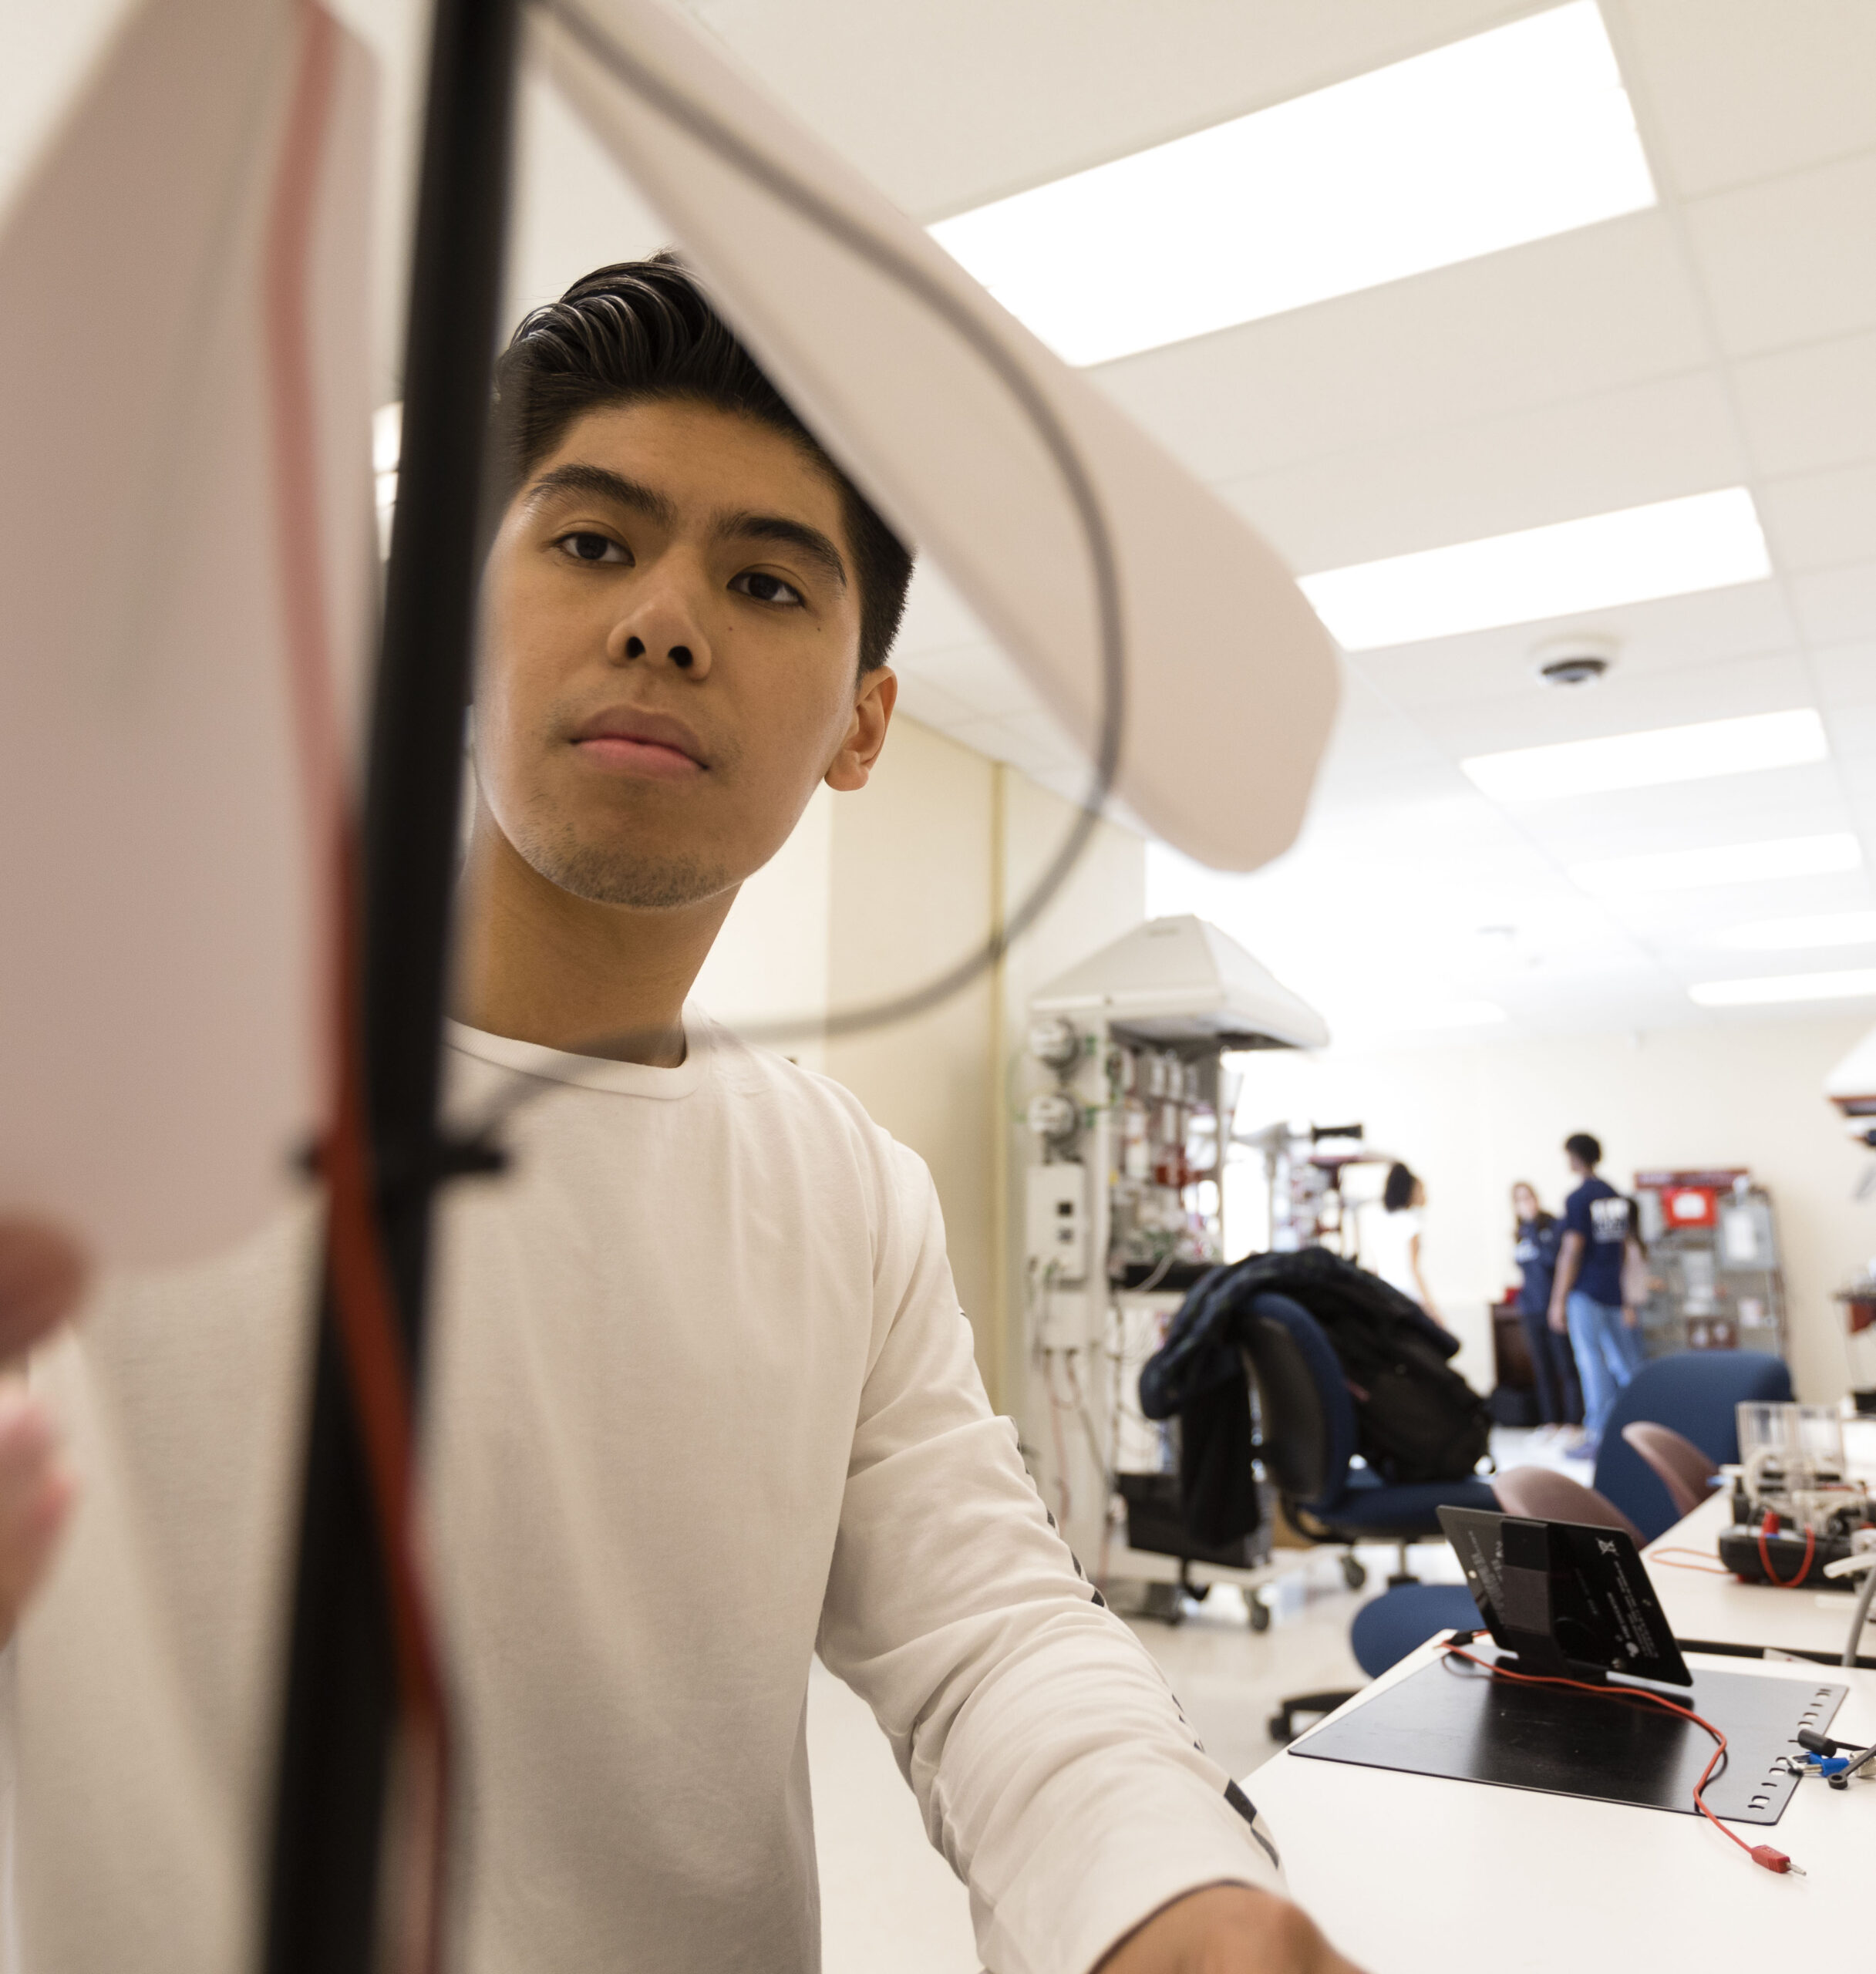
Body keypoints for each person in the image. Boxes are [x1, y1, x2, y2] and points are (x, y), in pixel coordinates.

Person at [7, 261, 1358, 1974]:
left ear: (862, 722)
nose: (663, 617)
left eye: (767, 578)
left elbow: (988, 1630)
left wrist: (1169, 1893)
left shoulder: (844, 1191)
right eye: (588, 542)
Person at [1547, 1133, 1643, 1457]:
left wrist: (1558, 1299)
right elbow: (1621, 1249)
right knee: (1626, 1365)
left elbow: (1572, 1250)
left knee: (1592, 1362)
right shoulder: (1613, 1195)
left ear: (1574, 1157)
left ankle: (1598, 1434)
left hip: (1586, 1293)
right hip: (1612, 1291)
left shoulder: (1579, 1198)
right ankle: (1636, 1428)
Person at [1509, 1182, 1581, 1439]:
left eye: (1528, 1197)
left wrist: (1537, 1234)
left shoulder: (1551, 1226)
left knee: (1566, 1364)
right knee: (1542, 1367)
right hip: (1531, 1308)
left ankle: (1574, 1422)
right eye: (1519, 1200)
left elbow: (1556, 1261)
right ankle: (1551, 1421)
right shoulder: (1519, 1233)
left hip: (1555, 1305)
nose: (1525, 1203)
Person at [1362, 1161, 1448, 1330]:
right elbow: (1413, 1269)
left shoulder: (1377, 1221)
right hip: (1408, 1296)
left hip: (1385, 1296)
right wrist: (1431, 1307)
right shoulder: (1411, 1224)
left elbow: (1376, 1267)